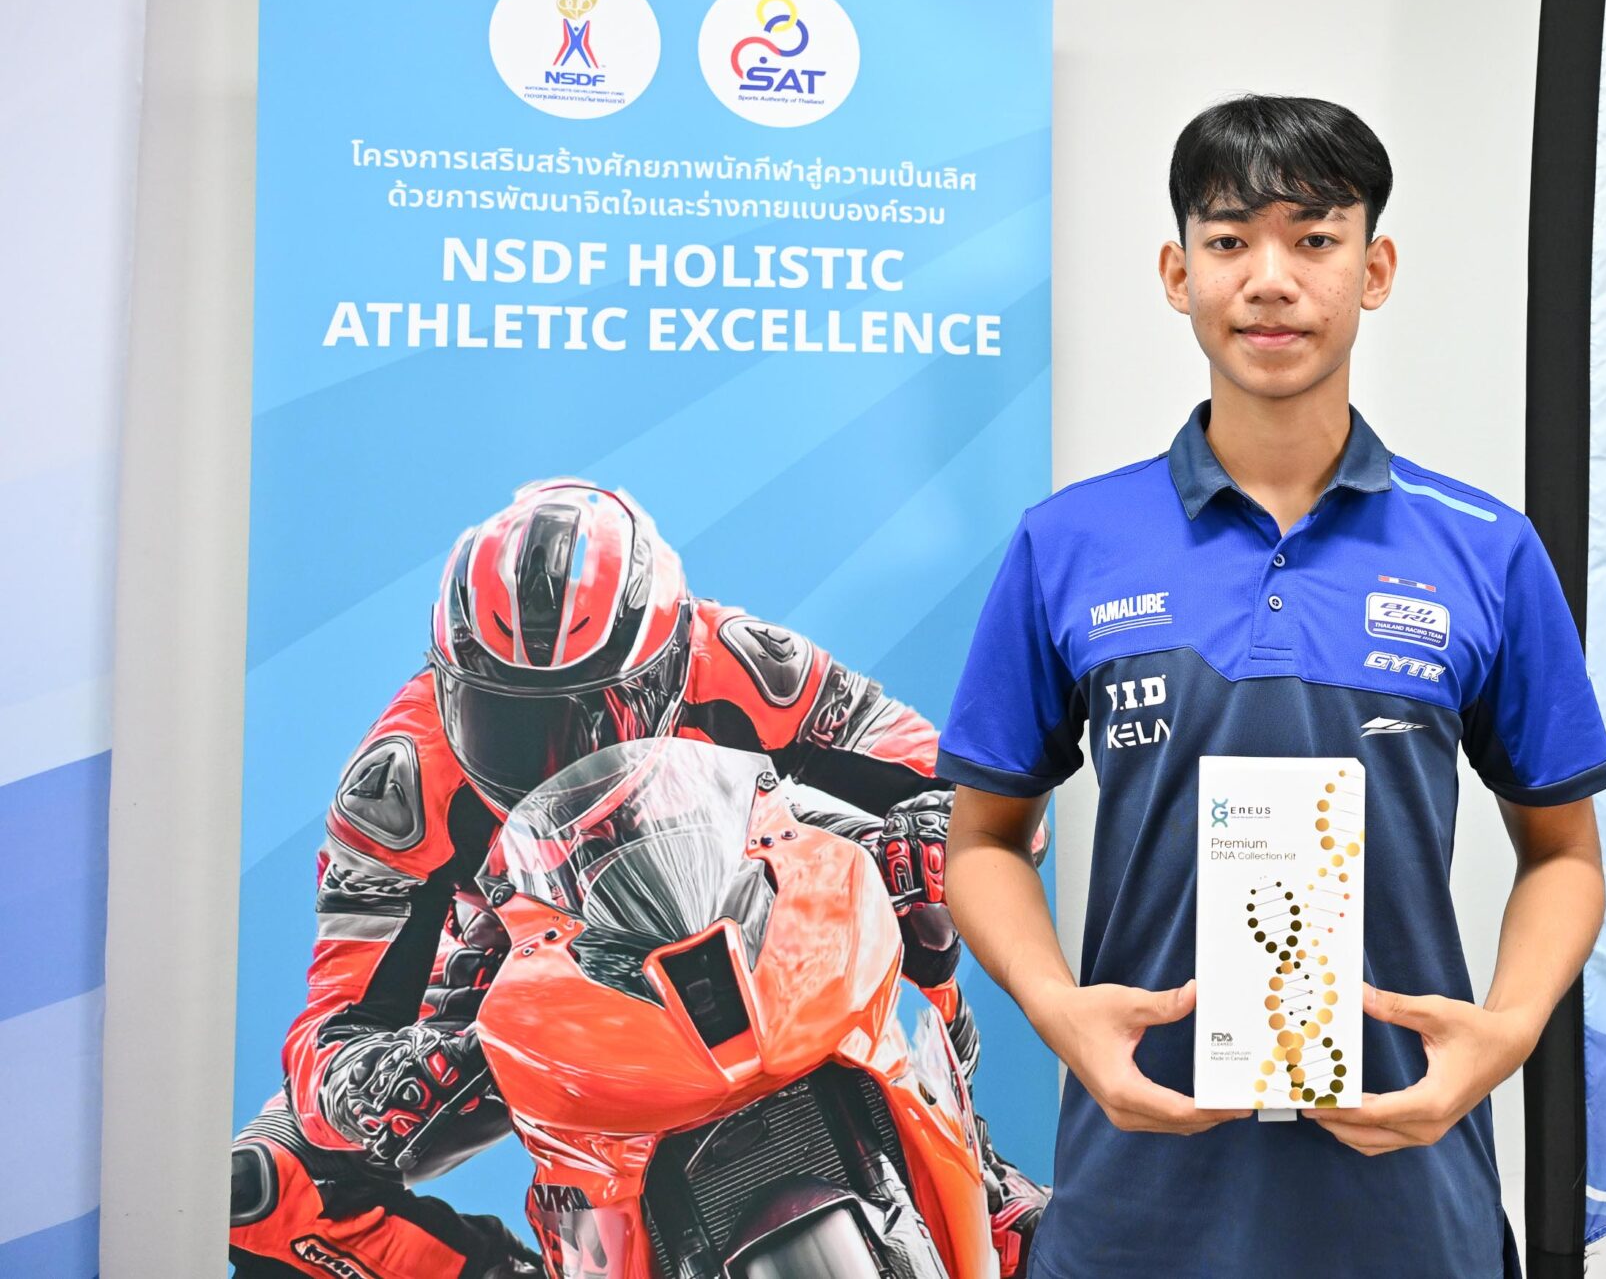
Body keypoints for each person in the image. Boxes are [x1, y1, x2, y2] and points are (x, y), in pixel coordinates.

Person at [938, 95, 1606, 1278]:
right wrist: (1055, 1008)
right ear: (1177, 272)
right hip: (1139, 1201)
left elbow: (1565, 853)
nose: (1270, 279)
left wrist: (1502, 1035)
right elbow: (983, 838)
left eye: (1314, 238)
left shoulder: (1485, 548)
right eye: (1228, 239)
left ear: (1374, 269)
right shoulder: (1070, 542)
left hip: (1406, 1196)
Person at [230, 479, 1047, 1278]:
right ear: (450, 688)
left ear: (667, 666)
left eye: (595, 717)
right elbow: (330, 1031)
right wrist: (371, 1080)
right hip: (520, 965)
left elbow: (979, 799)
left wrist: (932, 835)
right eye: (509, 723)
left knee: (927, 883)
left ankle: (976, 1173)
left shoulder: (740, 660)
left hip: (743, 893)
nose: (556, 756)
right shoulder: (399, 783)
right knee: (266, 1184)